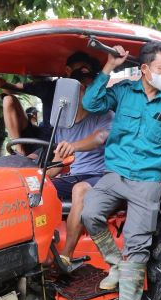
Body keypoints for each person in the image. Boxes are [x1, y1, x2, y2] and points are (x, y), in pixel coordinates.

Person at [81, 41, 161, 300]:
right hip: (115, 174)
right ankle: (114, 263)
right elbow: (90, 103)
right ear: (145, 69)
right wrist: (109, 67)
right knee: (89, 213)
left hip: (147, 180)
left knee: (137, 243)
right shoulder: (123, 92)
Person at [47, 74, 113, 266]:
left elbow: (100, 138)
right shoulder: (62, 125)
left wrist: (74, 146)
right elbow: (58, 161)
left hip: (100, 175)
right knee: (34, 190)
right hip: (74, 175)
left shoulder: (104, 116)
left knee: (80, 190)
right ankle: (39, 252)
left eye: (84, 88)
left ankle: (66, 257)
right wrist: (37, 180)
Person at [0, 52, 101, 155]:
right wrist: (0, 84)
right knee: (8, 100)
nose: (83, 87)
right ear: (68, 71)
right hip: (43, 138)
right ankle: (20, 151)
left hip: (58, 145)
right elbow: (13, 87)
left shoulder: (97, 102)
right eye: (80, 75)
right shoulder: (51, 88)